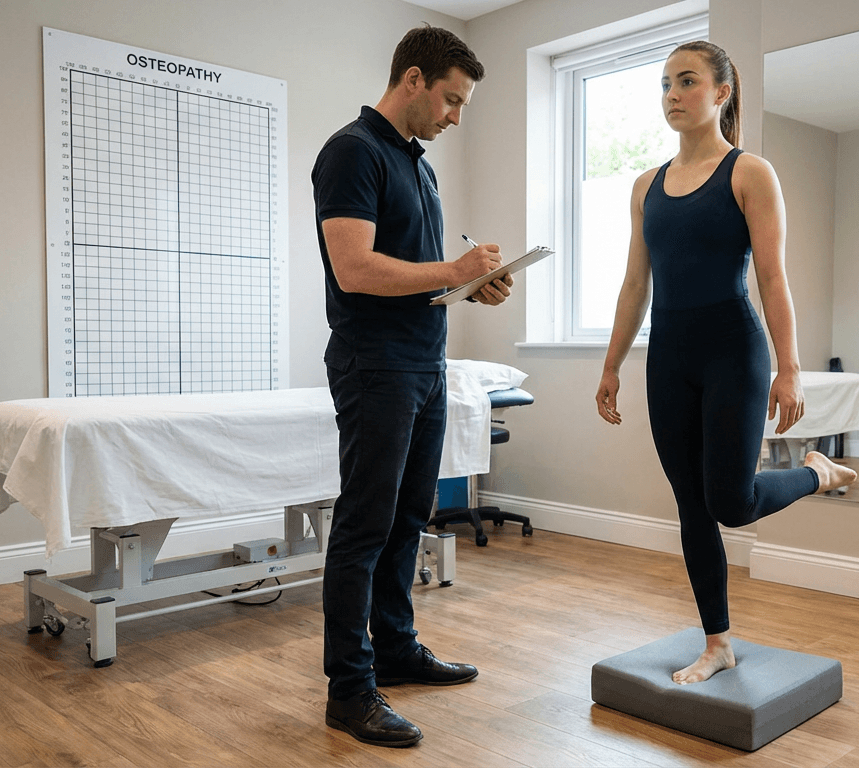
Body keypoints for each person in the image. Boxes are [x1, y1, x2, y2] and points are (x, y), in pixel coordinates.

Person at [595, 42, 857, 685]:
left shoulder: (749, 173)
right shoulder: (644, 187)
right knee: (691, 504)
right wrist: (611, 366)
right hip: (669, 356)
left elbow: (773, 278)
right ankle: (718, 642)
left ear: (722, 93)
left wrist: (788, 368)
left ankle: (817, 473)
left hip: (733, 350)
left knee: (732, 502)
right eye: (665, 84)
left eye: (686, 82)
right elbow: (635, 286)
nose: (672, 94)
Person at [312, 26, 512, 748]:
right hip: (376, 365)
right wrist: (454, 270)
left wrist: (471, 286)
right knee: (365, 525)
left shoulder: (417, 166)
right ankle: (350, 688)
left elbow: (419, 278)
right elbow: (356, 270)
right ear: (414, 80)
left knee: (407, 520)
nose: (455, 117)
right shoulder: (351, 153)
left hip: (427, 363)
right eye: (452, 101)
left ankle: (395, 649)